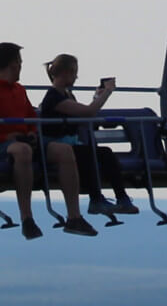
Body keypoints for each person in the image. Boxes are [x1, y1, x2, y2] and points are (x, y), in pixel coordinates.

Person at [0, 41, 97, 239]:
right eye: (19, 62)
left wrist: (33, 132)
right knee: (22, 151)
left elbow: (31, 118)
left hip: (24, 141)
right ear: (13, 64)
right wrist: (3, 137)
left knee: (64, 151)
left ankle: (74, 216)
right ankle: (27, 218)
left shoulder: (19, 90)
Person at [38, 53, 140, 216]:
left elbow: (81, 114)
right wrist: (107, 92)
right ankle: (96, 199)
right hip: (57, 146)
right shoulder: (53, 98)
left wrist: (96, 98)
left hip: (71, 144)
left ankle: (122, 198)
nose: (76, 77)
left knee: (105, 153)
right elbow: (89, 112)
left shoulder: (66, 95)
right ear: (66, 72)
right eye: (74, 72)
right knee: (87, 154)